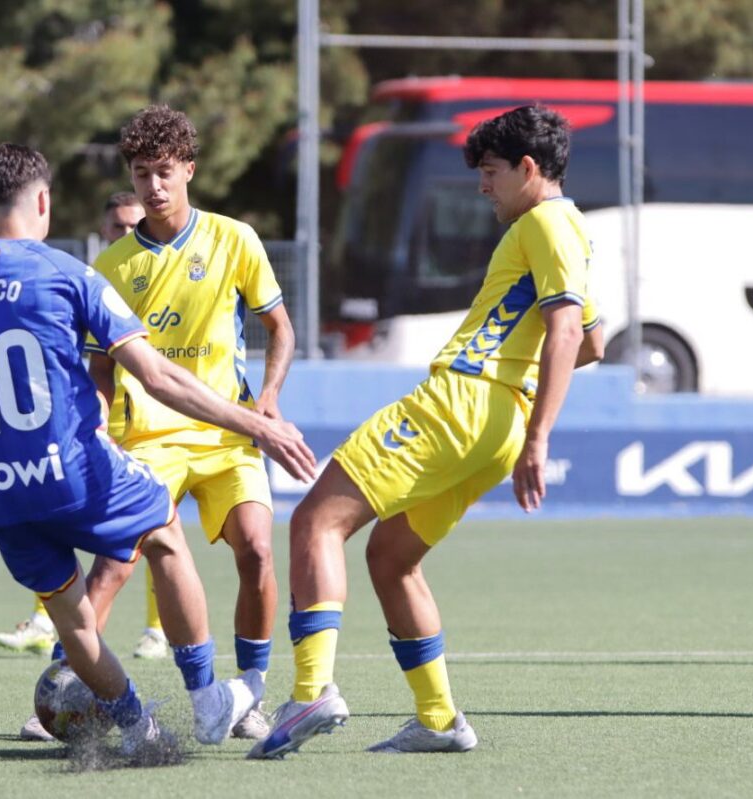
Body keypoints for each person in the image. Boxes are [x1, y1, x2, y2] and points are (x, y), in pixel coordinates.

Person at [0, 142, 315, 755]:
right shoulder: (69, 273)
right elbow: (156, 376)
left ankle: (138, 728)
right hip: (69, 466)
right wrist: (259, 425)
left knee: (73, 618)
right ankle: (207, 699)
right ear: (44, 201)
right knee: (163, 529)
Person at [247, 105, 605, 760]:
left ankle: (310, 691)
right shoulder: (572, 229)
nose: (483, 186)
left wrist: (539, 435)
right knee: (391, 558)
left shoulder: (545, 222)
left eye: (491, 172)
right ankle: (439, 718)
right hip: (494, 423)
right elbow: (594, 340)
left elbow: (568, 333)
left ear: (529, 168)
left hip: (459, 403)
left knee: (316, 522)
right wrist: (520, 403)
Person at [83, 105, 298, 738]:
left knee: (257, 550)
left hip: (228, 434)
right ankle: (70, 686)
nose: (153, 186)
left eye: (165, 171)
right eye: (141, 173)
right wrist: (99, 427)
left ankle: (248, 696)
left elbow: (280, 328)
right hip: (147, 439)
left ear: (189, 171)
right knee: (114, 566)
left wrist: (269, 397)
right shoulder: (111, 265)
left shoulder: (235, 239)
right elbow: (100, 368)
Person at [0, 191, 147, 659]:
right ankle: (49, 625)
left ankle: (154, 632)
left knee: (153, 531)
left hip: (153, 422)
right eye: (117, 226)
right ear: (104, 230)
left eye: (133, 225)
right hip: (94, 420)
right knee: (60, 520)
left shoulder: (166, 269)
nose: (124, 234)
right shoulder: (86, 275)